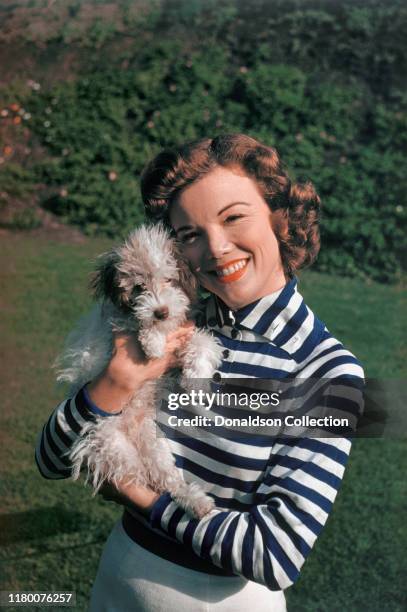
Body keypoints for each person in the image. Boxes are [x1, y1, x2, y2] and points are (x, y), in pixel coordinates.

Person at [35, 134, 364, 611]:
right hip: (118, 579)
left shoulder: (328, 372)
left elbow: (274, 555)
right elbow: (51, 461)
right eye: (189, 234)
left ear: (280, 216)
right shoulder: (168, 324)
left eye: (233, 217)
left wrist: (138, 496)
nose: (216, 247)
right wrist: (118, 382)